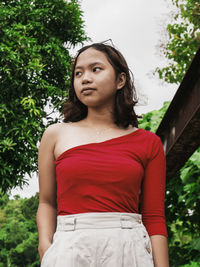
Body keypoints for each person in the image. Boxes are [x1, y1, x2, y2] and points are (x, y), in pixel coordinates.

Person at [36, 42, 170, 267]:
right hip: (68, 247)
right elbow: (47, 202)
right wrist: (46, 249)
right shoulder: (55, 135)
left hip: (129, 249)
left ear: (120, 80)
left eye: (95, 69)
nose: (85, 78)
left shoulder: (149, 144)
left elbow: (154, 217)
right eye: (78, 73)